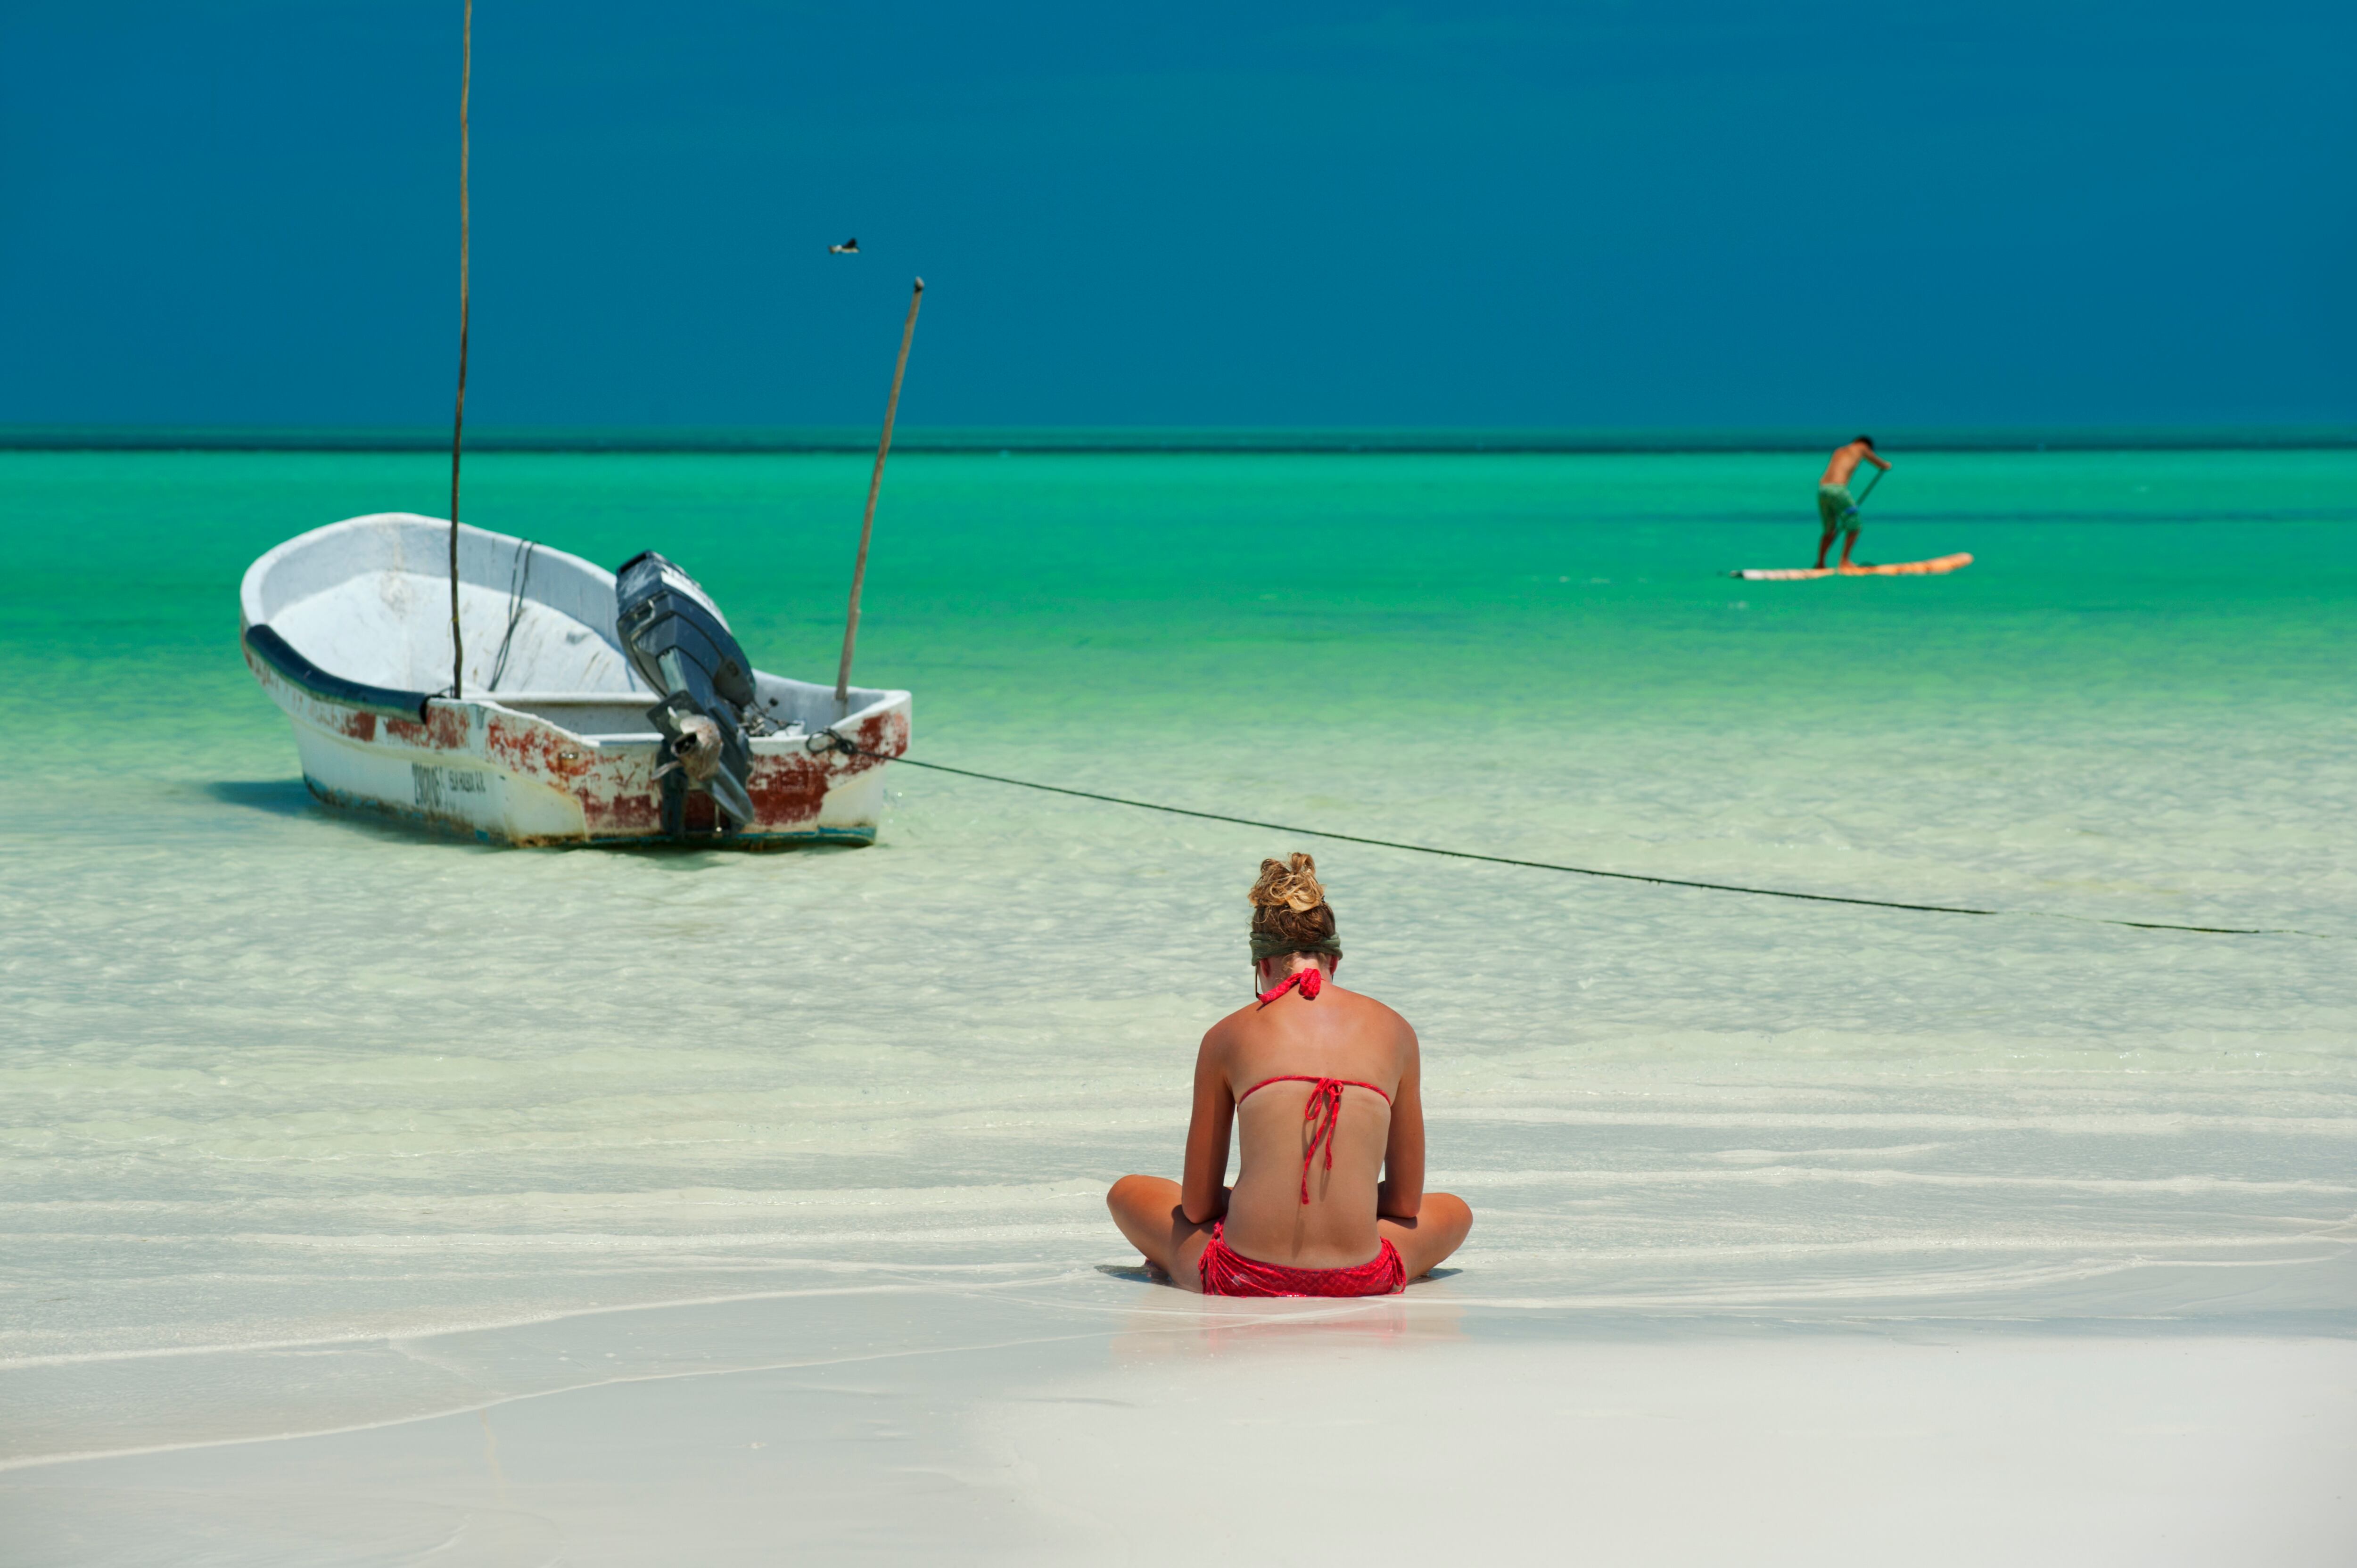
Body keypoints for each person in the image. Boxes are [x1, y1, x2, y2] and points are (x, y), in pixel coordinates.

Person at [1105, 854, 1472, 1296]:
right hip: (1362, 1276)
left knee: (1129, 1192)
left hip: (1241, 1275)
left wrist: (1249, 1199)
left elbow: (1199, 1206)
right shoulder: (1397, 1030)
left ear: (1262, 965)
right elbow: (1404, 1203)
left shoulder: (1227, 1034)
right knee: (1455, 1211)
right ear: (1333, 960)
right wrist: (1343, 1197)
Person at [1814, 435, 1894, 570]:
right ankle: (1844, 562)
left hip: (1823, 490)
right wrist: (1886, 465)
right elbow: (1877, 461)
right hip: (1838, 490)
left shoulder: (1839, 450)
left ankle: (1821, 564)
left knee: (1830, 530)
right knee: (1855, 526)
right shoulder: (1861, 447)